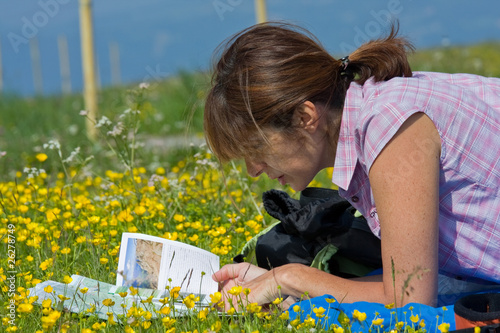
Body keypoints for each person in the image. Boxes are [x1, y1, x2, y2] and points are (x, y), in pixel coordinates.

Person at [204, 21, 500, 309]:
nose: (253, 170)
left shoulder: (389, 125)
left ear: (305, 117)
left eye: (256, 148)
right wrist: (272, 280)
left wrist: (290, 277)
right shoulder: (377, 106)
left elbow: (410, 302)